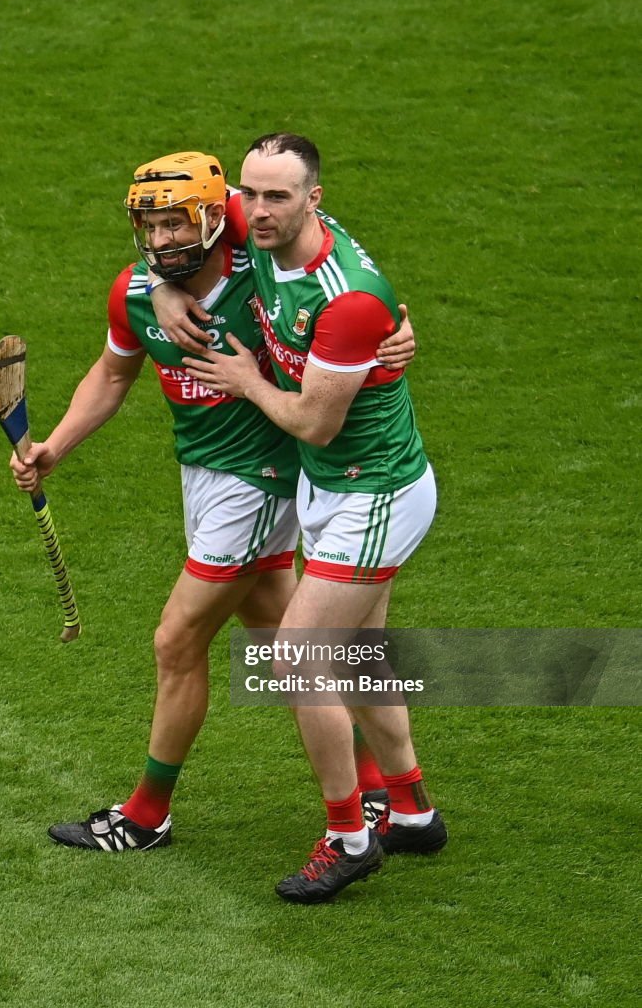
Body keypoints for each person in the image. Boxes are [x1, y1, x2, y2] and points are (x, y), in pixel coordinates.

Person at [10, 150, 415, 855]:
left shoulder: (259, 265)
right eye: (150, 225)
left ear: (210, 219)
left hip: (260, 476)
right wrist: (56, 446)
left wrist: (391, 337)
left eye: (177, 224)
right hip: (202, 471)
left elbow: (332, 283)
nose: (163, 239)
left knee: (178, 640)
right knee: (278, 629)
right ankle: (385, 789)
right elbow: (112, 373)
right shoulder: (136, 291)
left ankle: (146, 814)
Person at [160, 133, 446, 904]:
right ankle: (412, 810)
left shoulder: (346, 299)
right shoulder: (255, 219)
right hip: (333, 489)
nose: (254, 211)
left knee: (299, 657)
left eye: (276, 197)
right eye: (248, 194)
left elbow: (314, 423)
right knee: (358, 655)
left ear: (313, 199)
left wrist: (246, 378)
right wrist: (164, 290)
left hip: (375, 492)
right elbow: (176, 234)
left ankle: (349, 835)